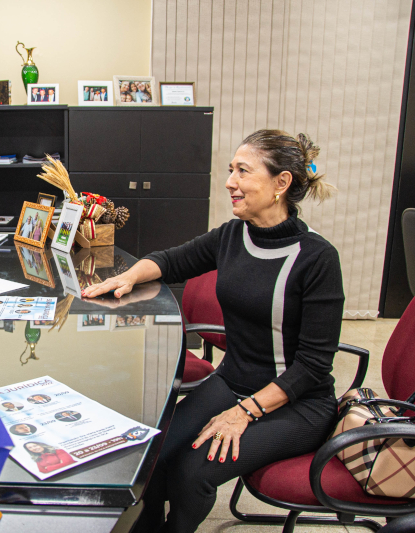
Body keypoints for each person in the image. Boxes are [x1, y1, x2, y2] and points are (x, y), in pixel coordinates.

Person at [83, 130, 341, 533]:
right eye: (230, 170)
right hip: (234, 380)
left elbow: (312, 366)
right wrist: (127, 278)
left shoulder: (318, 258)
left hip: (297, 403)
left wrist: (243, 412)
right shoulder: (232, 235)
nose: (229, 181)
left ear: (281, 183)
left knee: (192, 472)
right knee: (148, 456)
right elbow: (170, 261)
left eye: (242, 171)